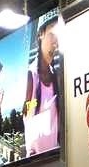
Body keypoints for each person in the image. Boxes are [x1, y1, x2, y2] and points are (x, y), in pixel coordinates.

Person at [24, 10, 61, 156]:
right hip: (35, 159)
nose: (55, 42)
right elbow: (26, 111)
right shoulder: (31, 74)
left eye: (58, 36)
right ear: (41, 34)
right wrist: (33, 103)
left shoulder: (55, 76)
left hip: (54, 157)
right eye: (52, 34)